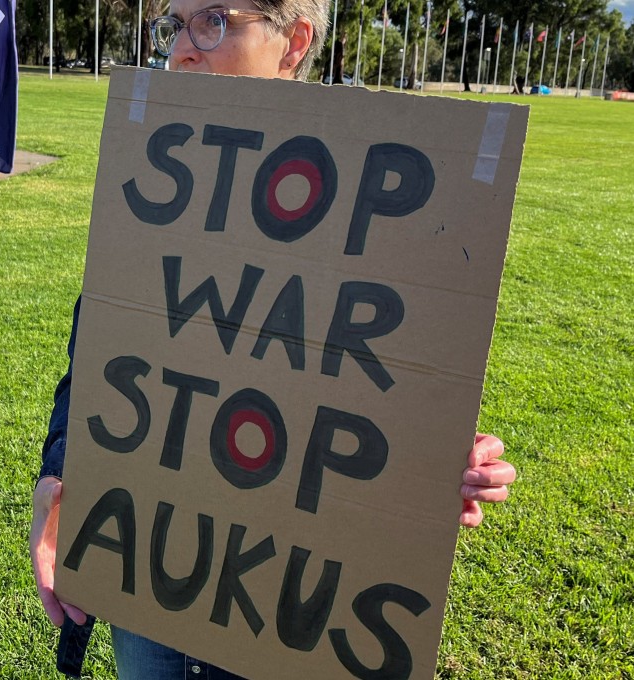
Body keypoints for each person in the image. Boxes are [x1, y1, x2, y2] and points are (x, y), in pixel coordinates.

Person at [29, 0, 518, 677]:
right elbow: (100, 352)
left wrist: (436, 455)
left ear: (293, 43)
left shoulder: (381, 203)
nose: (181, 52)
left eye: (213, 22)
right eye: (175, 26)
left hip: (281, 600)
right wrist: (57, 472)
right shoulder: (161, 183)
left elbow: (389, 375)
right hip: (153, 565)